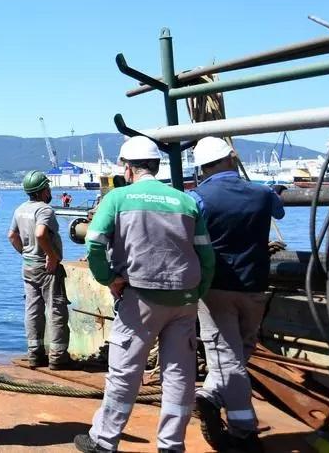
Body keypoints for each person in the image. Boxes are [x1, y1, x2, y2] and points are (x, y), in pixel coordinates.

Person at [74, 136, 216, 453]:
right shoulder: (186, 201)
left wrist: (108, 278)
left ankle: (103, 441)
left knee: (125, 373)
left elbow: (94, 242)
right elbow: (206, 256)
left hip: (140, 299)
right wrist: (197, 292)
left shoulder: (118, 199)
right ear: (156, 165)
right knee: (179, 376)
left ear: (128, 168)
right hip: (184, 300)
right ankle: (171, 446)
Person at [189, 137, 284, 452]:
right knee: (241, 349)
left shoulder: (198, 198)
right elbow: (280, 211)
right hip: (254, 284)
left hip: (215, 288)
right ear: (232, 157)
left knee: (228, 356)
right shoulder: (261, 193)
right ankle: (218, 400)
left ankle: (240, 427)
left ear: (202, 167)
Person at [8, 171, 71, 369]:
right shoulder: (45, 210)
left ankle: (35, 353)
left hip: (28, 266)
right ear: (43, 190)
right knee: (56, 309)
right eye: (48, 187)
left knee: (33, 309)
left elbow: (11, 235)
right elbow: (41, 233)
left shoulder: (20, 209)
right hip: (46, 269)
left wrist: (25, 254)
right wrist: (51, 257)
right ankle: (58, 356)